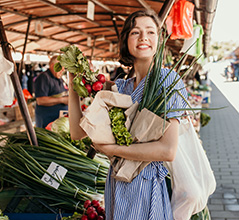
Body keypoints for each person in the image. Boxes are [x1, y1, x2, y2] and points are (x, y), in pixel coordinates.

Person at [68, 9, 188, 220]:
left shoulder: (167, 81)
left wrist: (112, 149)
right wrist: (72, 85)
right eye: (135, 32)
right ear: (126, 40)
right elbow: (78, 132)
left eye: (151, 32)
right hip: (117, 185)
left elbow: (167, 150)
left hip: (145, 187)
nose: (143, 37)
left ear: (159, 41)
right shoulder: (120, 88)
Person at [34, 55, 68, 128]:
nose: (63, 70)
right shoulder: (43, 77)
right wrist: (62, 100)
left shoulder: (58, 78)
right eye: (61, 67)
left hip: (56, 121)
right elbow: (40, 100)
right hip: (46, 121)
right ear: (53, 66)